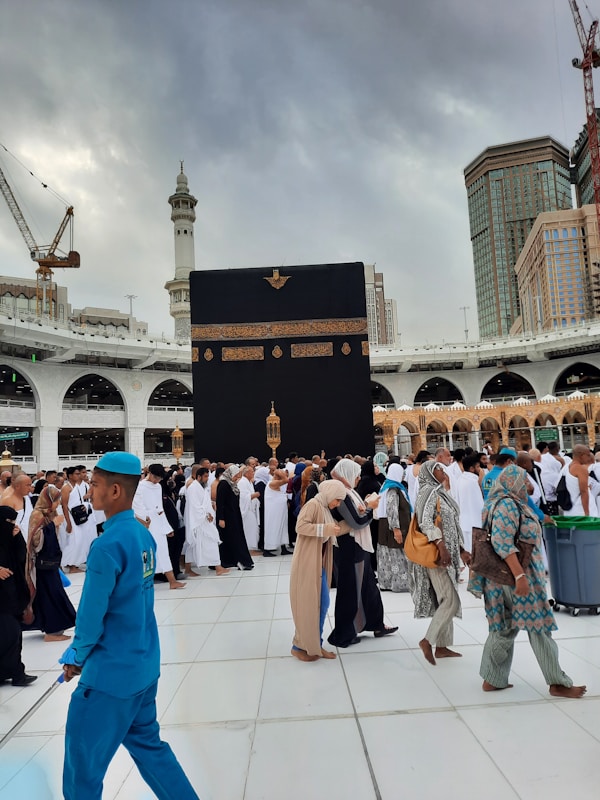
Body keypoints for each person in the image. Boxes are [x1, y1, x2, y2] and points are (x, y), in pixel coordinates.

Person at [59, 451, 199, 799]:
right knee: (153, 752)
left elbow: (91, 617)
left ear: (116, 491)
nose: (89, 492)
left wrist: (76, 654)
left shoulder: (106, 546)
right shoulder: (142, 536)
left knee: (82, 773)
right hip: (143, 666)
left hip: (108, 677)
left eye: (94, 484)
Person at [468, 464, 586, 698]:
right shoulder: (507, 505)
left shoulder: (503, 502)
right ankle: (557, 683)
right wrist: (520, 576)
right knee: (539, 625)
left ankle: (493, 678)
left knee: (504, 626)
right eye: (525, 480)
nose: (530, 484)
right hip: (516, 576)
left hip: (502, 578)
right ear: (514, 482)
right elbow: (502, 542)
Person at [327, 459, 398, 647]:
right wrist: (369, 507)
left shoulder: (349, 492)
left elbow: (357, 516)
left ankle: (376, 624)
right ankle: (343, 633)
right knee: (350, 591)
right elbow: (356, 522)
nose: (358, 478)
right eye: (356, 474)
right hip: (350, 549)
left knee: (368, 588)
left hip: (359, 547)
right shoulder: (340, 494)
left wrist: (365, 505)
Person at [410, 460, 470, 666]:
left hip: (449, 551)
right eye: (438, 467)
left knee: (445, 597)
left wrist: (461, 549)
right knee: (450, 600)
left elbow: (452, 522)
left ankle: (442, 647)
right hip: (436, 553)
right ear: (429, 472)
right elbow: (425, 521)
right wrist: (441, 545)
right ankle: (428, 640)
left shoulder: (441, 492)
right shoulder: (427, 491)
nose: (443, 470)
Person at [289, 480, 347, 662]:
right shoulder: (313, 505)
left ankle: (314, 644)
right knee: (310, 606)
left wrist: (363, 513)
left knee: (320, 604)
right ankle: (300, 646)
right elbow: (300, 526)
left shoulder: (323, 508)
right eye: (337, 500)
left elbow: (334, 530)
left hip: (318, 564)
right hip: (307, 563)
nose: (337, 504)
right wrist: (325, 529)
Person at [25, 484, 76, 642]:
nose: (59, 503)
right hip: (42, 565)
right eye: (56, 500)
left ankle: (51, 628)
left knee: (50, 594)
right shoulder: (37, 514)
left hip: (50, 563)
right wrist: (52, 525)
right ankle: (52, 632)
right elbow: (35, 540)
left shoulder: (49, 514)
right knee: (51, 595)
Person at [0, 506, 37, 686]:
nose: (12, 525)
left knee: (12, 636)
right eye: (9, 522)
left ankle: (13, 673)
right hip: (2, 600)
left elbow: (22, 557)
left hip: (11, 595)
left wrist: (17, 538)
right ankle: (17, 674)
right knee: (10, 634)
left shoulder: (8, 539)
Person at [133, 464, 185, 590]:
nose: (156, 481)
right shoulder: (140, 487)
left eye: (159, 479)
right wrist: (144, 520)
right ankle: (142, 582)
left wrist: (167, 527)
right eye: (155, 477)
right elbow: (136, 506)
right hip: (145, 522)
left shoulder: (158, 487)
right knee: (146, 552)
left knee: (163, 552)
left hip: (158, 522)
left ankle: (172, 581)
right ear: (149, 473)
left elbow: (160, 509)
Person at [184, 467, 229, 575]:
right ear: (199, 476)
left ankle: (217, 566)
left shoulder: (202, 487)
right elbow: (195, 506)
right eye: (205, 476)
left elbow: (205, 502)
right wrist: (205, 515)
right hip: (198, 521)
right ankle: (216, 568)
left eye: (208, 476)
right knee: (195, 544)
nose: (207, 479)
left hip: (205, 519)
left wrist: (210, 511)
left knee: (209, 542)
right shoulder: (193, 488)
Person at [376, 463, 411, 592]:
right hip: (393, 527)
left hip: (387, 526)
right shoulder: (393, 489)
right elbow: (392, 509)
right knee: (396, 553)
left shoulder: (389, 486)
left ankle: (388, 582)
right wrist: (396, 529)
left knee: (390, 554)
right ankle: (400, 583)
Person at [216, 464, 254, 570]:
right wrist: (221, 518)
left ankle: (238, 561)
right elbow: (220, 503)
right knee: (233, 539)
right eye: (236, 475)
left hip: (234, 515)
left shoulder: (232, 484)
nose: (237, 478)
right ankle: (239, 561)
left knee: (236, 538)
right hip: (227, 517)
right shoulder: (223, 484)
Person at [559, 444, 598, 517]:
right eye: (588, 455)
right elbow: (584, 491)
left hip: (571, 508)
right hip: (581, 509)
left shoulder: (567, 467)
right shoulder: (581, 469)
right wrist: (587, 513)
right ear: (582, 455)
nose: (589, 458)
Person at [263, 468, 292, 556]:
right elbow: (286, 480)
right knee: (273, 527)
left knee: (282, 528)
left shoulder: (275, 482)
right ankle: (267, 549)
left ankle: (283, 548)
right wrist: (280, 472)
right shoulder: (273, 483)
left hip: (280, 510)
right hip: (274, 512)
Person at [238, 464, 261, 554]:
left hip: (251, 509)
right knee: (249, 529)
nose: (253, 473)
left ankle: (252, 548)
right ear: (246, 473)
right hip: (246, 510)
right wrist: (254, 495)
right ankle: (249, 549)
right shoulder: (242, 482)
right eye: (252, 471)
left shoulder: (249, 482)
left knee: (253, 529)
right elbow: (242, 497)